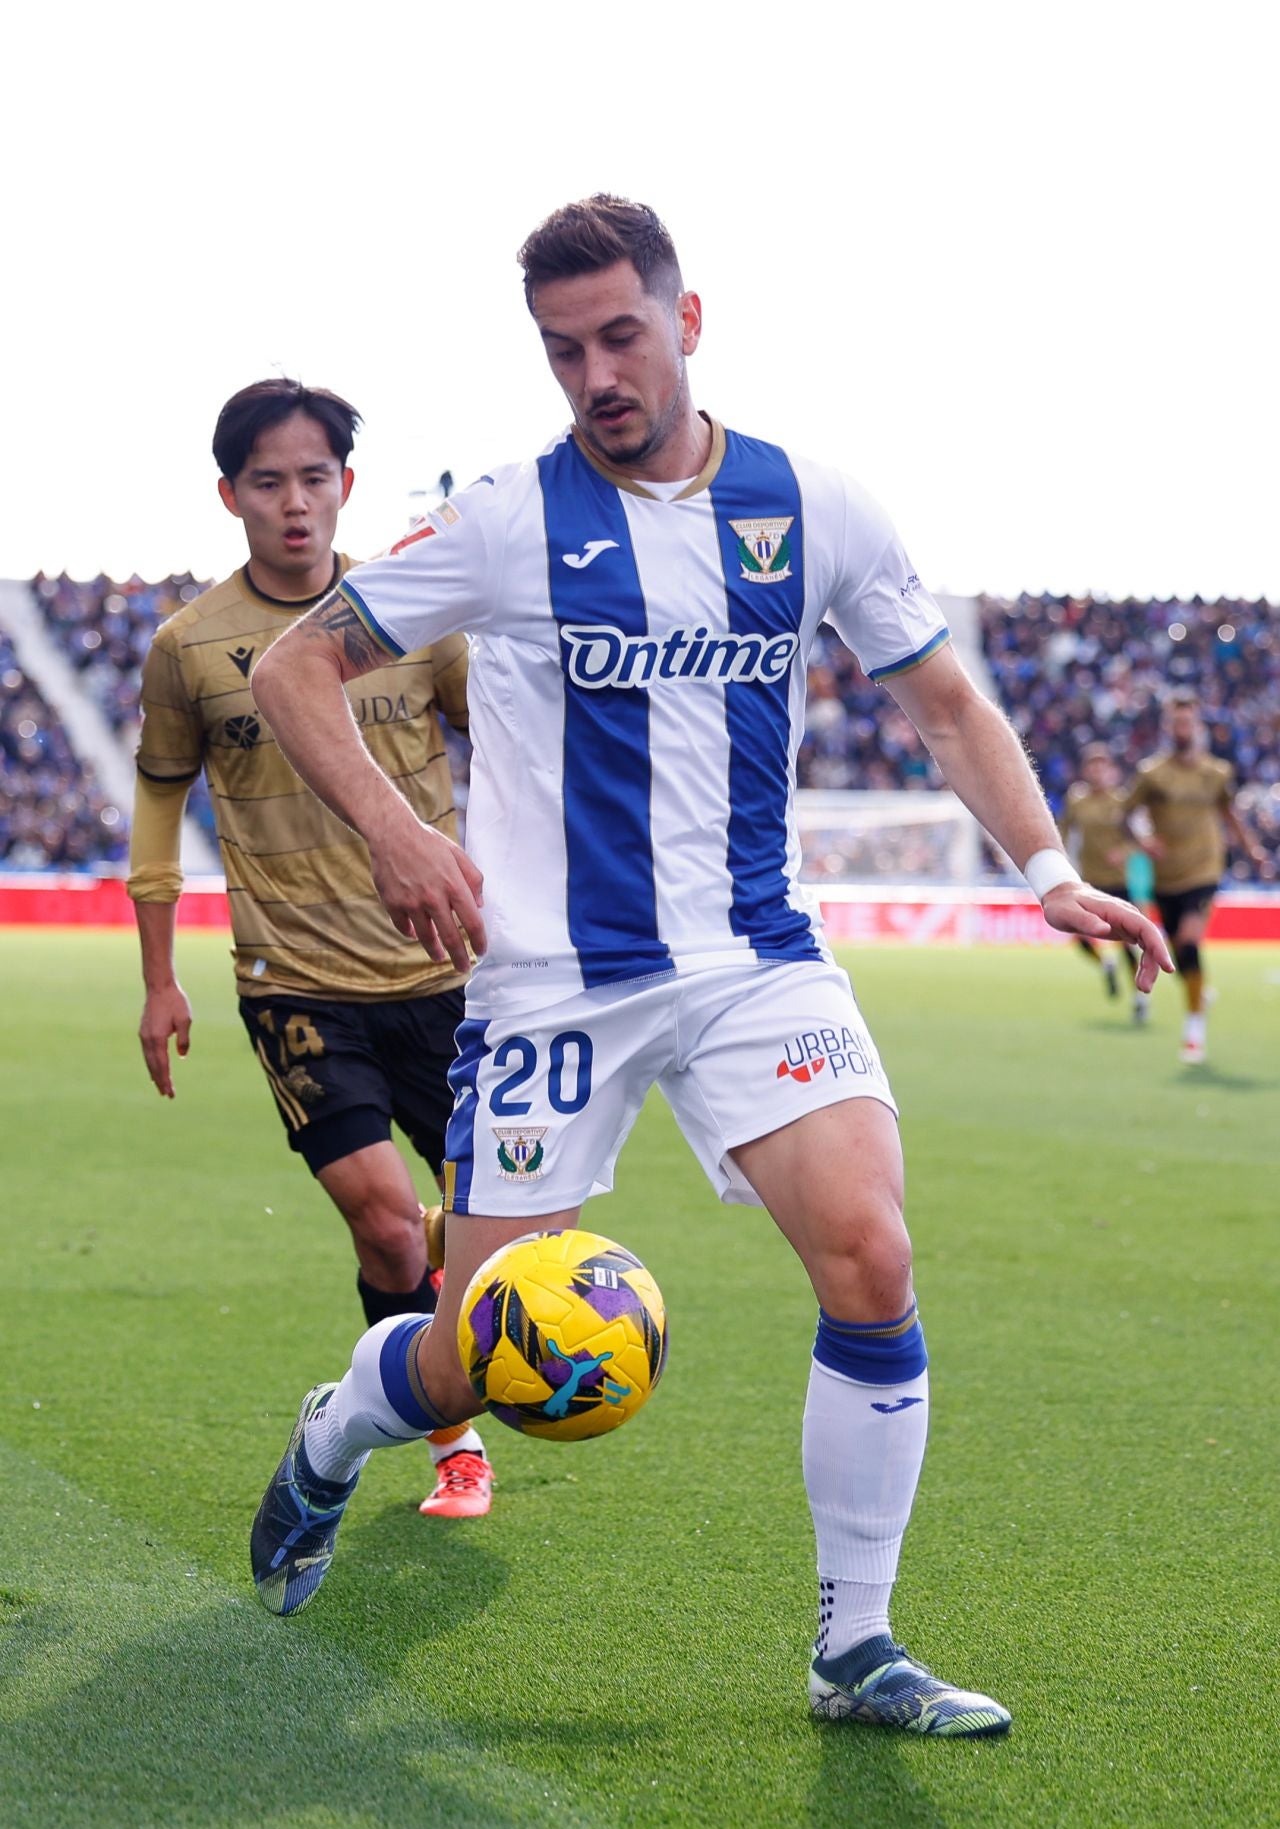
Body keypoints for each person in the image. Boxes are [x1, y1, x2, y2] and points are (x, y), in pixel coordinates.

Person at [246, 197, 1171, 1733]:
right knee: (473, 1360)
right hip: (554, 983)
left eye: (620, 336)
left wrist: (1051, 872)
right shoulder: (507, 520)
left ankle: (855, 1647)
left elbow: (946, 704)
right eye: (563, 351)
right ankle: (340, 1430)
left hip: (755, 960)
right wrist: (402, 837)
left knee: (872, 1256)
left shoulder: (814, 505)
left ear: (688, 319)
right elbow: (295, 668)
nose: (596, 375)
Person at [127, 377, 493, 1518]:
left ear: (347, 485)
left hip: (444, 972)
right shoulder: (188, 647)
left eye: (314, 478)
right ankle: (453, 1443)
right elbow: (158, 803)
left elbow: (513, 744)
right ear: (229, 494)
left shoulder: (415, 620)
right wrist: (158, 979)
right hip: (293, 984)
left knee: (477, 1231)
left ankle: (440, 1285)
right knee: (384, 1224)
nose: (295, 502)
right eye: (269, 482)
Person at [1125, 691, 1265, 1064]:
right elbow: (1125, 815)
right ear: (1167, 727)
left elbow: (1229, 813)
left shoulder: (1216, 773)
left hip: (1204, 869)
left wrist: (1251, 849)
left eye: (1187, 722)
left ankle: (1194, 1029)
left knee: (1189, 942)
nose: (1182, 728)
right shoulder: (1151, 774)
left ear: (1197, 726)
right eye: (1176, 722)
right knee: (1177, 956)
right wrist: (1143, 841)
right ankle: (1197, 992)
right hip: (1165, 876)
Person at [1061, 743, 1144, 1019]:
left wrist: (1123, 852)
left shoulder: (1121, 801)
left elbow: (1136, 840)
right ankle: (1105, 964)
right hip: (1089, 881)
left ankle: (1140, 997)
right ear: (1085, 770)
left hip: (1117, 881)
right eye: (1092, 765)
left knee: (1126, 942)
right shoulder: (1077, 800)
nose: (1097, 770)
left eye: (1102, 765)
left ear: (1110, 770)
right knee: (1080, 937)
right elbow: (1063, 831)